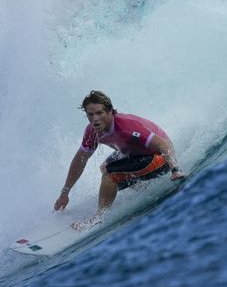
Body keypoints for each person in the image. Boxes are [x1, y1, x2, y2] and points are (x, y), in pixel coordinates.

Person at [54, 90, 185, 230]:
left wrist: (175, 169)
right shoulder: (92, 132)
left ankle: (98, 219)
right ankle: (142, 188)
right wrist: (65, 193)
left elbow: (163, 144)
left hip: (160, 158)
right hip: (135, 155)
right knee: (105, 167)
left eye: (99, 113)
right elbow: (79, 160)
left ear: (111, 111)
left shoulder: (126, 127)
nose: (95, 119)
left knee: (110, 175)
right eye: (90, 115)